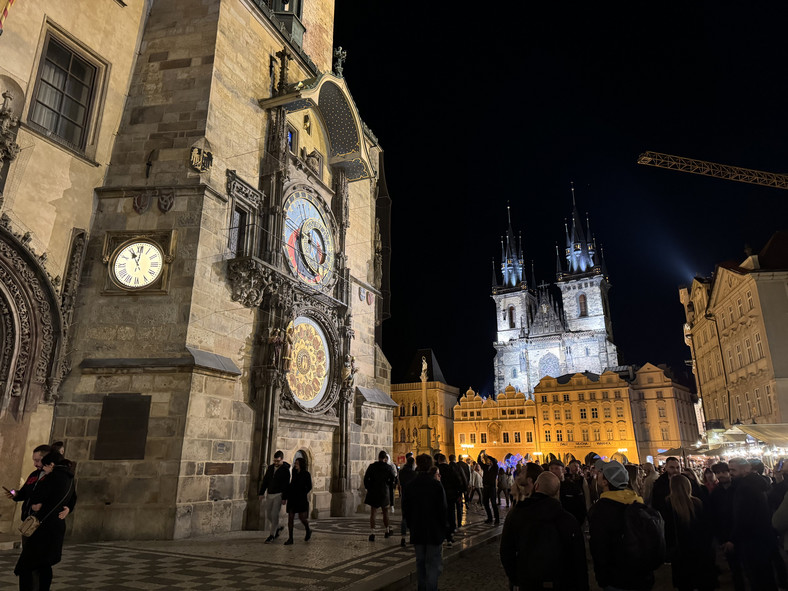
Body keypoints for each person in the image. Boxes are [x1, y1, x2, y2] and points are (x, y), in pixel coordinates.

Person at [500, 472, 588, 590]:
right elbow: (578, 560)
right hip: (560, 582)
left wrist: (516, 577)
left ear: (536, 487)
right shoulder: (568, 520)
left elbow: (506, 551)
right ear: (557, 492)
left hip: (527, 582)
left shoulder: (516, 514)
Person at [587, 460, 659, 591]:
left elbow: (599, 549)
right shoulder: (639, 503)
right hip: (643, 576)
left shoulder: (600, 510)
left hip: (617, 579)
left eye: (601, 474)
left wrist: (602, 578)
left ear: (605, 482)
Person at [13, 451, 76, 591]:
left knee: (31, 564)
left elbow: (37, 497)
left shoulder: (52, 477)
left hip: (41, 526)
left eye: (40, 462)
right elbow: (24, 493)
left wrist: (66, 508)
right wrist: (15, 494)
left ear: (51, 464)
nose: (38, 465)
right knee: (42, 563)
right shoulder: (68, 477)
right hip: (49, 525)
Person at [726, 457, 778, 590]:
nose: (730, 473)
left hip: (753, 541)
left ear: (744, 470)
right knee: (766, 576)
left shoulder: (745, 488)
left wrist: (733, 539)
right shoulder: (755, 484)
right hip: (762, 538)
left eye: (733, 470)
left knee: (758, 579)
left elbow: (743, 517)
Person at [402, 454, 448, 591]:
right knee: (433, 564)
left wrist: (411, 525)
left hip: (417, 531)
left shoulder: (410, 486)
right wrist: (444, 528)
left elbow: (406, 509)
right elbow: (443, 509)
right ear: (430, 467)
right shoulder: (436, 486)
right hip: (434, 532)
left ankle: (422, 588)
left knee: (420, 563)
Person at [663, 474, 716, 591]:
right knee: (702, 582)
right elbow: (706, 527)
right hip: (699, 549)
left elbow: (668, 530)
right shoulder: (697, 503)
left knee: (685, 585)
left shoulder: (668, 504)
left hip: (681, 553)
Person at [707, 462, 745, 591]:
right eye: (718, 473)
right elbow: (714, 516)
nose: (721, 475)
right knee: (734, 567)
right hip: (725, 535)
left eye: (723, 472)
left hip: (741, 534)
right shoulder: (716, 493)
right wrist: (721, 538)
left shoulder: (739, 488)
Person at [258, 450, 290, 543]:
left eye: (278, 461)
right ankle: (279, 527)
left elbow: (286, 485)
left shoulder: (285, 470)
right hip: (270, 494)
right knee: (268, 515)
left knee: (274, 514)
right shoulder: (271, 468)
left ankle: (272, 535)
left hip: (279, 494)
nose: (276, 463)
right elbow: (265, 481)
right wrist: (261, 493)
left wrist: (284, 498)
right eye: (274, 461)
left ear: (282, 460)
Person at [364, 449, 396, 541]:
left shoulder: (372, 466)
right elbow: (393, 480)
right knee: (385, 512)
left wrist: (369, 488)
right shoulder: (388, 468)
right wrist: (389, 487)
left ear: (378, 457)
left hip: (373, 491)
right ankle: (387, 530)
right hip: (383, 492)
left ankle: (372, 533)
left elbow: (366, 479)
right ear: (385, 458)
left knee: (373, 512)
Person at [283, 457, 312, 545]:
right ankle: (290, 538)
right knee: (290, 517)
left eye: (297, 463)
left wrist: (303, 492)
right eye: (295, 463)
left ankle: (308, 529)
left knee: (301, 517)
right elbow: (291, 483)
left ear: (301, 465)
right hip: (292, 497)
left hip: (300, 498)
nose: (295, 465)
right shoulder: (294, 472)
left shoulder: (306, 474)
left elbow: (309, 486)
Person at [435, 454, 461, 547]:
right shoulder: (451, 468)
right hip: (451, 495)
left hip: (440, 495)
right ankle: (451, 531)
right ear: (445, 460)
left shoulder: (437, 469)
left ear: (438, 460)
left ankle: (442, 534)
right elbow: (458, 480)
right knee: (451, 512)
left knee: (441, 515)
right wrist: (458, 493)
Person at [560, 459, 589, 525]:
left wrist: (587, 507)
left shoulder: (581, 479)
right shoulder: (564, 478)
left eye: (578, 466)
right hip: (568, 506)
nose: (577, 468)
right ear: (569, 466)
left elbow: (587, 494)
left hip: (580, 507)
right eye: (575, 466)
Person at [398, 453, 417, 547]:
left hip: (404, 496)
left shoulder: (401, 472)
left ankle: (403, 538)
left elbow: (400, 483)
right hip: (412, 497)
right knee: (413, 517)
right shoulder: (414, 474)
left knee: (404, 518)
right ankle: (412, 537)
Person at [477, 450, 499, 524]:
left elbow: (494, 461)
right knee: (485, 503)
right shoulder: (486, 467)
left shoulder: (495, 468)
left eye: (491, 461)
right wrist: (480, 454)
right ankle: (489, 518)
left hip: (492, 487)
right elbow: (479, 462)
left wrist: (487, 455)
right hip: (485, 487)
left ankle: (497, 519)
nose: (489, 462)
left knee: (493, 503)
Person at [448, 454, 468, 528]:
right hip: (458, 491)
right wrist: (465, 489)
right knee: (459, 507)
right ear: (455, 459)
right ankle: (459, 523)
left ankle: (452, 524)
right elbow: (463, 478)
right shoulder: (458, 467)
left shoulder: (448, 467)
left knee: (451, 508)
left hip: (450, 492)